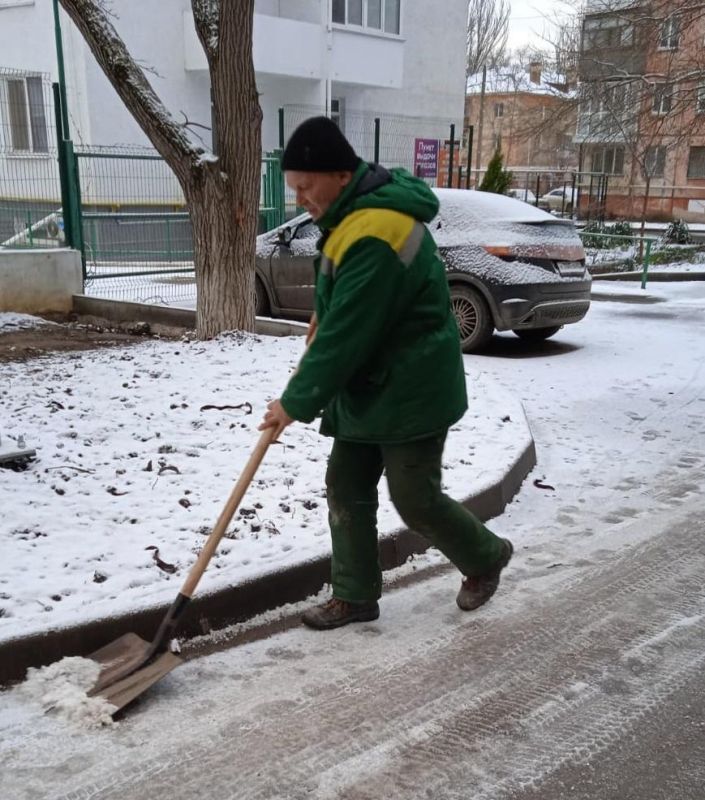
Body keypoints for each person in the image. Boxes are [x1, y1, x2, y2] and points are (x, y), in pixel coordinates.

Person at [259, 116, 512, 630]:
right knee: (345, 485)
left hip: (412, 387)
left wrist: (295, 402)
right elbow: (352, 306)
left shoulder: (377, 229)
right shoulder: (356, 216)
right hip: (373, 386)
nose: (301, 199)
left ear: (339, 174)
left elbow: (348, 335)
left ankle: (485, 557)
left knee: (415, 498)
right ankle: (355, 595)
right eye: (295, 189)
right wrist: (324, 310)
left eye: (307, 186)